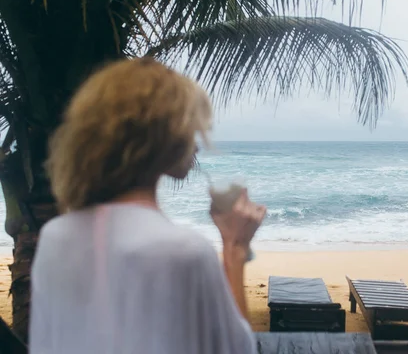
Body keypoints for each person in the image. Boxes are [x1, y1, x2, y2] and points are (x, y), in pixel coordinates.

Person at [29, 57, 266, 354]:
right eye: (189, 126)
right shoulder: (183, 252)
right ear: (166, 137)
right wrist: (235, 249)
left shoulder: (55, 238)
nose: (196, 141)